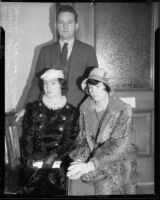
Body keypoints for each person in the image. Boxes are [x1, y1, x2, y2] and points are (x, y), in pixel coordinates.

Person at [15, 4, 98, 121]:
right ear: (55, 25)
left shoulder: (88, 51)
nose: (65, 26)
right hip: (49, 113)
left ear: (76, 25)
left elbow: (94, 84)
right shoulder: (45, 51)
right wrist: (27, 108)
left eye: (69, 22)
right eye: (60, 22)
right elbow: (36, 83)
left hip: (79, 113)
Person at [67, 67, 138, 195]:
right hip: (94, 159)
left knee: (103, 185)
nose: (93, 91)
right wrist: (79, 160)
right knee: (74, 180)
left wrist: (89, 165)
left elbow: (118, 144)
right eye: (90, 87)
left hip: (116, 162)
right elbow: (83, 140)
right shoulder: (85, 109)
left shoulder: (122, 109)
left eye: (98, 86)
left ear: (106, 87)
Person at [17, 69, 79, 195]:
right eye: (45, 84)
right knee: (31, 182)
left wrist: (54, 155)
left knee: (55, 181)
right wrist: (28, 157)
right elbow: (27, 137)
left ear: (62, 85)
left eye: (53, 83)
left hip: (59, 158)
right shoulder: (33, 108)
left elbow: (71, 140)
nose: (48, 87)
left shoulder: (72, 111)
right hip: (35, 156)